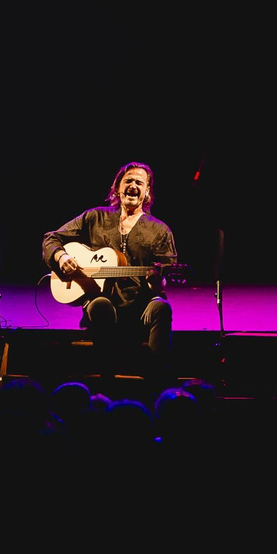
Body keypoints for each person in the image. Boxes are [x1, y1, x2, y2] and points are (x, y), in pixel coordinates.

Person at [41, 161, 178, 389]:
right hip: (104, 302)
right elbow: (51, 238)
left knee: (162, 307)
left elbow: (163, 278)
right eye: (128, 181)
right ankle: (106, 383)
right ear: (117, 188)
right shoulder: (94, 218)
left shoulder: (160, 230)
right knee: (99, 305)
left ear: (147, 193)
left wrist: (157, 281)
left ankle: (155, 383)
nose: (133, 186)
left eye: (139, 182)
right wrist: (61, 258)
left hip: (141, 305)